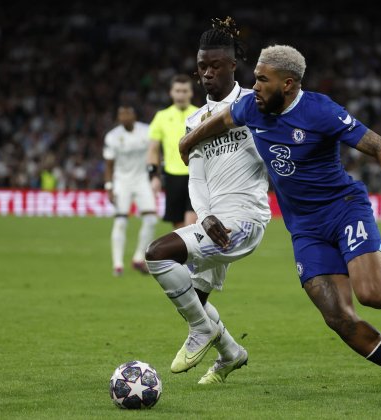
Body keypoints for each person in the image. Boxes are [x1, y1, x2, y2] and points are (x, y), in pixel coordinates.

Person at [179, 44, 381, 400]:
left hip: (344, 209)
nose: (254, 85)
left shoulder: (320, 111)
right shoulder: (252, 107)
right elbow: (222, 119)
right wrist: (188, 141)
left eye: (263, 79)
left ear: (288, 84)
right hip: (305, 228)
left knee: (371, 293)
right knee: (338, 317)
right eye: (255, 77)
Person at [145, 17, 270, 384]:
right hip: (213, 222)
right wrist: (204, 215)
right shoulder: (195, 120)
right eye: (202, 67)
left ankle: (203, 332)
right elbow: (195, 177)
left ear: (233, 65)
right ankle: (231, 353)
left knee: (157, 253)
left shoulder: (254, 105)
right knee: (193, 298)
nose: (208, 73)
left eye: (216, 65)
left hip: (245, 221)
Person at [103, 105, 158, 276]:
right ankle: (117, 264)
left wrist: (156, 176)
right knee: (120, 221)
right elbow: (109, 165)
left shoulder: (147, 131)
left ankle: (138, 257)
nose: (124, 117)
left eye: (127, 114)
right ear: (118, 118)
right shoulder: (112, 137)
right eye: (121, 115)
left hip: (142, 179)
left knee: (151, 219)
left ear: (134, 116)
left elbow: (155, 153)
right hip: (122, 181)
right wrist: (109, 187)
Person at [148, 74, 199, 228]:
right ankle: (186, 252)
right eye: (178, 91)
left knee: (191, 223)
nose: (181, 95)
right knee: (178, 227)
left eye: (184, 91)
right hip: (172, 177)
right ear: (171, 92)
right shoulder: (161, 117)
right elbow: (153, 149)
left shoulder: (200, 114)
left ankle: (193, 250)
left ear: (191, 93)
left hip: (196, 175)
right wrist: (153, 176)